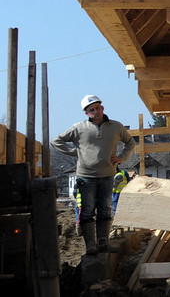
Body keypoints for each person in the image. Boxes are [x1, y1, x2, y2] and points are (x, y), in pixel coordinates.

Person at [52, 94, 135, 254]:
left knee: (105, 209)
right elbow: (57, 141)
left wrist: (121, 158)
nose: (96, 111)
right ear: (86, 113)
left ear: (102, 107)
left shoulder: (116, 127)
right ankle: (90, 245)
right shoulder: (79, 128)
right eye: (92, 110)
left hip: (107, 175)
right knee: (88, 210)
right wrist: (75, 152)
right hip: (86, 177)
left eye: (98, 107)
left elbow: (130, 143)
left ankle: (103, 243)